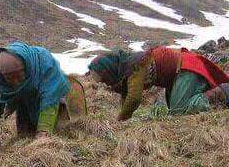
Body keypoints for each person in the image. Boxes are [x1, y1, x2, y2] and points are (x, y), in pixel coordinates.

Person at [0, 42, 87, 157]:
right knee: (25, 136)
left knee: (60, 134)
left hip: (57, 100)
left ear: (26, 67)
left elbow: (50, 101)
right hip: (24, 103)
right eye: (9, 78)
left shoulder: (45, 63)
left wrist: (42, 136)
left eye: (19, 75)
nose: (15, 82)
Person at [88, 46, 229, 120]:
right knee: (176, 110)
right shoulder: (125, 68)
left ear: (108, 70)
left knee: (178, 111)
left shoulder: (135, 67)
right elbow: (127, 94)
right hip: (176, 75)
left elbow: (134, 98)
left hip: (185, 68)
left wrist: (120, 120)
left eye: (103, 78)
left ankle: (220, 92)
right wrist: (123, 117)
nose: (104, 83)